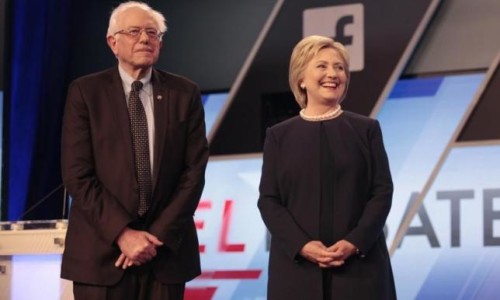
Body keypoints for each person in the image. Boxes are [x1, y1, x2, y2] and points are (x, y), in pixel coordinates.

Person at [60, 1, 209, 299]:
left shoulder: (184, 93)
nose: (145, 39)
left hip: (165, 255)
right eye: (134, 31)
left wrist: (156, 237)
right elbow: (77, 174)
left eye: (152, 33)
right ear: (112, 42)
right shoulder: (85, 93)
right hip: (101, 255)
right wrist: (123, 233)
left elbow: (194, 171)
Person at [257, 35, 397, 299]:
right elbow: (269, 200)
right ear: (301, 78)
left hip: (360, 269)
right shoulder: (278, 136)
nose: (332, 74)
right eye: (322, 66)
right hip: (297, 270)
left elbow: (382, 192)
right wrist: (302, 245)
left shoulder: (366, 130)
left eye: (339, 67)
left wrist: (354, 242)